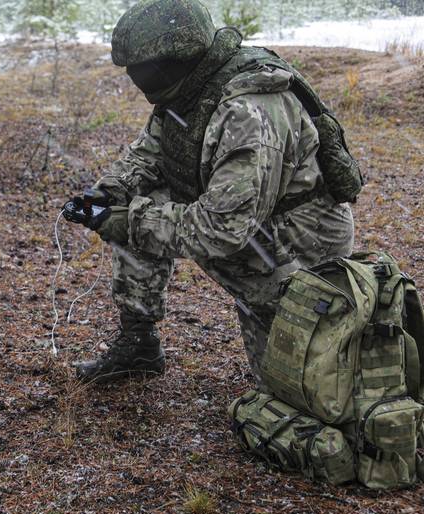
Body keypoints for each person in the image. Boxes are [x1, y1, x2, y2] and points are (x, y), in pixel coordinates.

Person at [64, 0, 357, 385]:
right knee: (138, 202)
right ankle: (138, 343)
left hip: (301, 241)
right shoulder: (191, 88)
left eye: (142, 71)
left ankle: (303, 347)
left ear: (175, 60)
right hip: (252, 222)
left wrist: (127, 221)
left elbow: (222, 228)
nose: (138, 80)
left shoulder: (249, 111)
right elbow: (150, 154)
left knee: (294, 396)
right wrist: (107, 195)